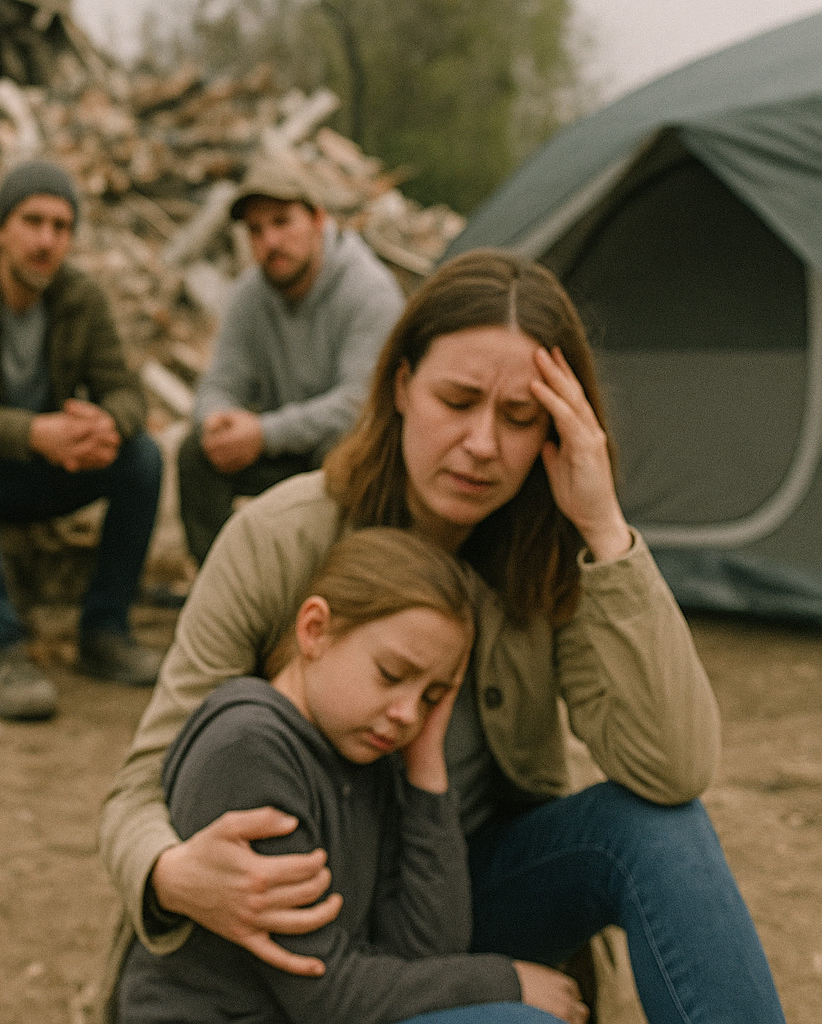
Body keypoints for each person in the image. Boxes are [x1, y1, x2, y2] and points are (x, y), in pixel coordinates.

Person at [99, 250, 786, 1023]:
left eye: (520, 418)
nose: (483, 444)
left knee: (658, 831)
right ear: (401, 385)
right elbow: (140, 783)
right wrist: (169, 872)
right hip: (303, 941)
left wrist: (604, 529)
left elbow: (675, 766)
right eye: (457, 400)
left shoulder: (551, 554)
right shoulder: (281, 537)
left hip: (452, 899)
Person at [116, 527, 585, 1024]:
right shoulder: (249, 749)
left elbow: (427, 949)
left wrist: (426, 770)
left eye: (432, 696)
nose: (408, 713)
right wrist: (503, 981)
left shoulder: (367, 753)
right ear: (315, 629)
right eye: (391, 674)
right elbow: (326, 993)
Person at [0, 159, 165, 722]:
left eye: (61, 226)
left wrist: (108, 424)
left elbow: (125, 390)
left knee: (142, 457)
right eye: (32, 221)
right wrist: (34, 432)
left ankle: (104, 631)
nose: (47, 240)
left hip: (39, 471)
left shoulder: (80, 298)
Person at [177, 155, 404, 565]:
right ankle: (221, 589)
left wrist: (263, 433)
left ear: (318, 220)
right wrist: (216, 421)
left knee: (344, 454)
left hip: (346, 452)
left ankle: (334, 591)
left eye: (282, 222)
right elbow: (220, 381)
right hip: (286, 446)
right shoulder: (252, 292)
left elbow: (359, 405)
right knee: (197, 453)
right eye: (256, 230)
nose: (270, 242)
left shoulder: (370, 293)